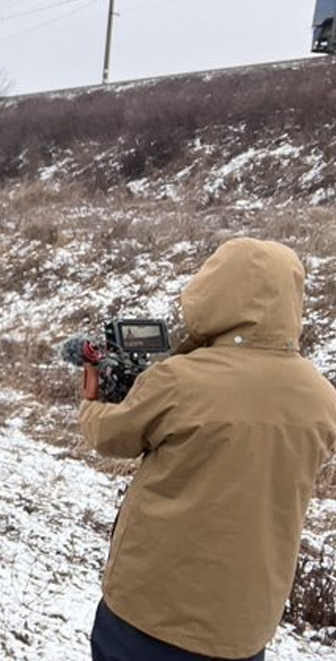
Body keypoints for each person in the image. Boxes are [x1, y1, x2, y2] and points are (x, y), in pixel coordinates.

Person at [78, 237, 336, 661]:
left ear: (213, 292)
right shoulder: (322, 397)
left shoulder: (179, 380)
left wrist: (91, 402)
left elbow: (110, 436)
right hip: (244, 628)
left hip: (149, 611)